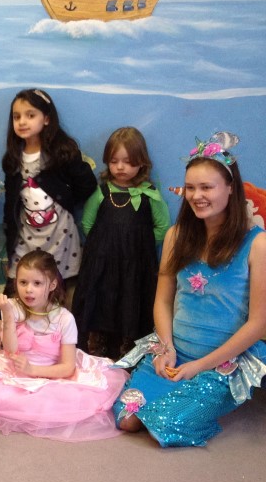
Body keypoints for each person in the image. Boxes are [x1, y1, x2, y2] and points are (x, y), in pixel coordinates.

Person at [113, 133, 265, 447]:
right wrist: (165, 347)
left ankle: (199, 397)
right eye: (191, 188)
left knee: (164, 423)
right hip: (176, 349)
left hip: (221, 362)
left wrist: (198, 367)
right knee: (127, 417)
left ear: (230, 188)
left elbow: (259, 323)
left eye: (207, 187)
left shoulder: (258, 244)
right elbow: (163, 301)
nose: (196, 196)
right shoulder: (176, 236)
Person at [0, 251, 126, 441]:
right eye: (23, 282)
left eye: (37, 283)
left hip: (50, 373)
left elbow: (68, 367)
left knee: (53, 403)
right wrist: (7, 313)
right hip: (13, 369)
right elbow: (10, 351)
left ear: (52, 285)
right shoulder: (12, 306)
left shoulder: (64, 318)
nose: (28, 290)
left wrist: (32, 370)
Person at [72, 127, 170, 359]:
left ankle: (127, 350)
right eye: (114, 161)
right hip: (102, 266)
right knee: (101, 303)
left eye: (127, 161)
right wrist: (104, 245)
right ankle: (97, 347)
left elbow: (163, 227)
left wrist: (139, 247)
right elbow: (87, 223)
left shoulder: (149, 194)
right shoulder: (101, 192)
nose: (120, 167)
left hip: (135, 267)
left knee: (131, 303)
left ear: (141, 162)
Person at [1, 88, 96, 287]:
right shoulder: (14, 158)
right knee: (25, 282)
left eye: (30, 115)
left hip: (59, 233)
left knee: (54, 284)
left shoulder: (61, 153)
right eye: (17, 117)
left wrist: (66, 200)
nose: (22, 122)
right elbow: (10, 204)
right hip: (27, 234)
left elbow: (87, 184)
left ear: (46, 119)